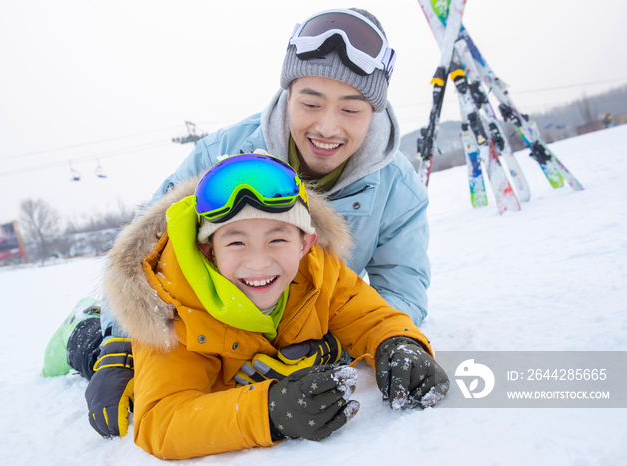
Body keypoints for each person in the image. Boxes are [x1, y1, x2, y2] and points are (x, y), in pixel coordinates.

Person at [48, 7, 434, 439]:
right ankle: (83, 329)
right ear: (288, 96)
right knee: (139, 383)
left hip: (296, 319)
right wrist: (118, 348)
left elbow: (397, 292)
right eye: (310, 103)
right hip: (204, 323)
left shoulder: (398, 189)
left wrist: (350, 348)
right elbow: (144, 253)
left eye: (351, 109)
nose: (327, 127)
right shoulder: (222, 155)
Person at [98, 153, 448, 459]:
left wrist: (398, 343)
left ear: (305, 243)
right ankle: (83, 329)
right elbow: (162, 421)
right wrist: (269, 411)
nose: (258, 263)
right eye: (236, 242)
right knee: (107, 376)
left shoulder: (319, 270)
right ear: (209, 251)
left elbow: (367, 315)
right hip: (140, 345)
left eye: (277, 239)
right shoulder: (175, 305)